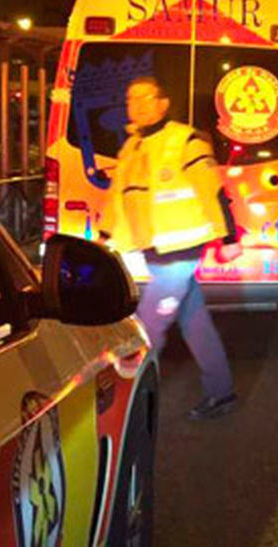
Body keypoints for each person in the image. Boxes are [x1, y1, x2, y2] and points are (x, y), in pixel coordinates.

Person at [100, 76, 242, 420]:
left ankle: (122, 408)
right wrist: (106, 239)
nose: (136, 105)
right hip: (154, 249)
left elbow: (213, 189)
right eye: (131, 99)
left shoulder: (185, 139)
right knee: (194, 320)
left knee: (146, 327)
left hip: (179, 251)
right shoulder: (132, 147)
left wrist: (229, 238)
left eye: (145, 98)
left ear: (163, 103)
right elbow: (118, 198)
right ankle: (222, 393)